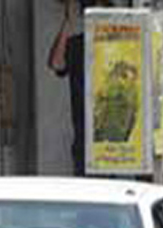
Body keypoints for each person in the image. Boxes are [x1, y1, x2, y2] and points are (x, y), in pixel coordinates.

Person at [48, 0, 110, 176]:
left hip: (117, 138)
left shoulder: (122, 45)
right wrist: (68, 21)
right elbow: (56, 63)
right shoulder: (78, 44)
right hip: (85, 136)